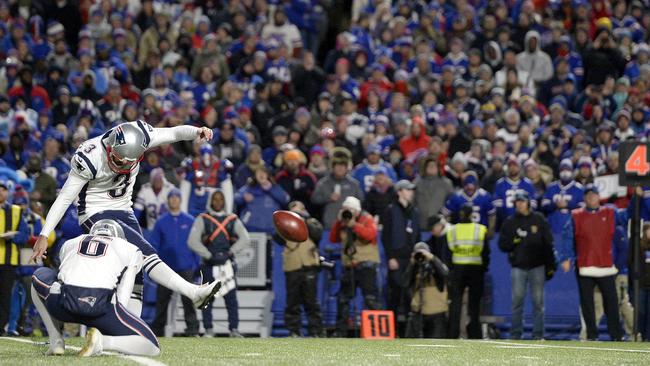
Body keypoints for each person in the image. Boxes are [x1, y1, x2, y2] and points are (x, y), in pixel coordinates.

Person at [31, 121, 222, 316]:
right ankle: (193, 292)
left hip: (124, 210)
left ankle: (129, 333)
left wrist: (196, 131)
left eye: (131, 161)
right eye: (121, 160)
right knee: (143, 252)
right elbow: (64, 198)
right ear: (111, 149)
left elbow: (173, 133)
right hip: (94, 212)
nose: (125, 165)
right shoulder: (90, 155)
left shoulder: (142, 135)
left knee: (136, 272)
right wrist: (45, 233)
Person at [31, 220, 160, 356]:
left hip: (63, 306)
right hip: (100, 310)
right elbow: (124, 290)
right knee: (152, 345)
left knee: (37, 276)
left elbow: (64, 275)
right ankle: (103, 342)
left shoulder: (70, 243)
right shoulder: (130, 248)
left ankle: (55, 340)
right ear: (119, 237)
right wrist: (116, 324)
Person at [559, 184, 624, 341]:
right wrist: (566, 258)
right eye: (588, 195)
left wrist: (637, 196)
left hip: (606, 265)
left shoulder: (610, 212)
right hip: (585, 265)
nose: (591, 197)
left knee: (612, 303)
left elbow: (628, 215)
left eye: (593, 195)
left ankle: (616, 335)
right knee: (587, 304)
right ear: (584, 198)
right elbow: (568, 237)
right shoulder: (576, 215)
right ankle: (591, 335)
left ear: (598, 197)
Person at [188, 190, 250, 338]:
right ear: (210, 201)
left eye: (220, 199)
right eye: (215, 199)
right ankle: (208, 330)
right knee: (207, 299)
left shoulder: (232, 219)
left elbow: (245, 238)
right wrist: (208, 254)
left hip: (226, 264)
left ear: (224, 201)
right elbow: (192, 241)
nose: (217, 202)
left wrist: (230, 252)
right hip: (209, 264)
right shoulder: (203, 219)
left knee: (231, 299)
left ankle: (233, 329)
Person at [498, 190, 556, 340]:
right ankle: (516, 334)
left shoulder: (539, 219)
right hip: (518, 266)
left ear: (528, 202)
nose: (519, 204)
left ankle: (538, 335)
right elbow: (502, 245)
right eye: (517, 202)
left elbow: (548, 243)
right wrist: (513, 242)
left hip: (538, 266)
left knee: (538, 303)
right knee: (517, 302)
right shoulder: (510, 222)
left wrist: (551, 266)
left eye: (522, 201)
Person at [150, 189, 200, 337]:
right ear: (168, 200)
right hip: (166, 268)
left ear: (180, 200)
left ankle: (192, 329)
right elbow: (154, 245)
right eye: (171, 197)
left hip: (186, 267)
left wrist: (195, 265)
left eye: (177, 197)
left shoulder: (190, 220)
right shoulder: (161, 222)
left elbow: (196, 244)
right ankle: (157, 331)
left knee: (189, 300)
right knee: (162, 301)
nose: (174, 200)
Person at [329, 196, 379, 337]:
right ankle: (340, 332)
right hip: (349, 266)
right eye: (345, 209)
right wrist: (339, 222)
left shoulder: (366, 219)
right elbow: (333, 238)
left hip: (366, 265)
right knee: (343, 299)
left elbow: (370, 234)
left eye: (350, 209)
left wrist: (354, 225)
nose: (347, 212)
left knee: (370, 299)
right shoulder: (343, 222)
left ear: (357, 210)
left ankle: (375, 331)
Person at [273, 201, 324, 337]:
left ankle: (316, 331)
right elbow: (277, 238)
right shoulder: (285, 226)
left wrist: (303, 220)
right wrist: (286, 222)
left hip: (309, 264)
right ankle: (294, 331)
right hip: (292, 266)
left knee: (311, 302)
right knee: (292, 302)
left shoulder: (311, 222)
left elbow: (318, 233)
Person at [381, 179, 421, 336]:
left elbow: (417, 236)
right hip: (397, 259)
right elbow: (386, 237)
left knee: (410, 297)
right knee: (395, 295)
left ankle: (409, 332)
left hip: (410, 259)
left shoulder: (414, 212)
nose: (411, 192)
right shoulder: (390, 210)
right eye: (408, 190)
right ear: (399, 192)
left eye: (411, 190)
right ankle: (392, 330)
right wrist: (390, 257)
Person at [446, 203, 489, 339]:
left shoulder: (452, 230)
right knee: (474, 306)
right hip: (475, 269)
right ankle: (474, 335)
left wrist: (451, 270)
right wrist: (483, 268)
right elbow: (486, 252)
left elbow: (447, 253)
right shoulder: (480, 229)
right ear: (472, 215)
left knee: (455, 305)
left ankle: (453, 335)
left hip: (458, 269)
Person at [0, 180, 30, 335]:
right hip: (6, 260)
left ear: (8, 192)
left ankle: (1, 327)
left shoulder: (16, 211)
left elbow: (25, 235)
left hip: (8, 261)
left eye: (3, 189)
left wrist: (11, 238)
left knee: (5, 295)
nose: (0, 192)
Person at [402, 242, 449, 338]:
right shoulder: (414, 268)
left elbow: (444, 274)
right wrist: (412, 264)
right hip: (418, 312)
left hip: (436, 314)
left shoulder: (435, 266)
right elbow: (405, 283)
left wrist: (432, 258)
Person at [312, 148, 363, 228]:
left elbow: (361, 201)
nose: (340, 168)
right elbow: (314, 199)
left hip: (349, 226)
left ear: (347, 167)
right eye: (338, 165)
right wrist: (328, 198)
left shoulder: (354, 184)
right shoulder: (323, 183)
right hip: (329, 226)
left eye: (343, 165)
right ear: (333, 166)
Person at [235, 166, 290, 233]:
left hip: (271, 229)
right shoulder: (248, 188)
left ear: (267, 175)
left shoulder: (275, 187)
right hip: (251, 228)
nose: (261, 174)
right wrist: (243, 197)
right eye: (258, 172)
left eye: (263, 172)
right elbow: (236, 198)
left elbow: (285, 199)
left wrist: (271, 189)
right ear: (255, 176)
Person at [443, 171, 496, 236]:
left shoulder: (485, 196)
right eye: (468, 187)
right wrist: (448, 230)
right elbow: (446, 215)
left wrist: (490, 232)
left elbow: (492, 216)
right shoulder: (456, 197)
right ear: (463, 185)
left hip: (480, 233)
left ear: (476, 185)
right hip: (460, 233)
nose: (470, 189)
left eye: (472, 187)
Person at [492, 156, 537, 226]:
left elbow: (533, 205)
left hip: (524, 222)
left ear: (519, 167)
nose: (512, 168)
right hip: (505, 222)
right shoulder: (500, 184)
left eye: (515, 165)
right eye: (510, 166)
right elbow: (497, 206)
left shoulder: (528, 184)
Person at [134, 167, 176, 231]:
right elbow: (137, 209)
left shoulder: (170, 189)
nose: (158, 181)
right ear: (152, 179)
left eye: (160, 179)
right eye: (156, 179)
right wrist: (135, 226)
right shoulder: (145, 189)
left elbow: (177, 209)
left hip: (169, 228)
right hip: (152, 228)